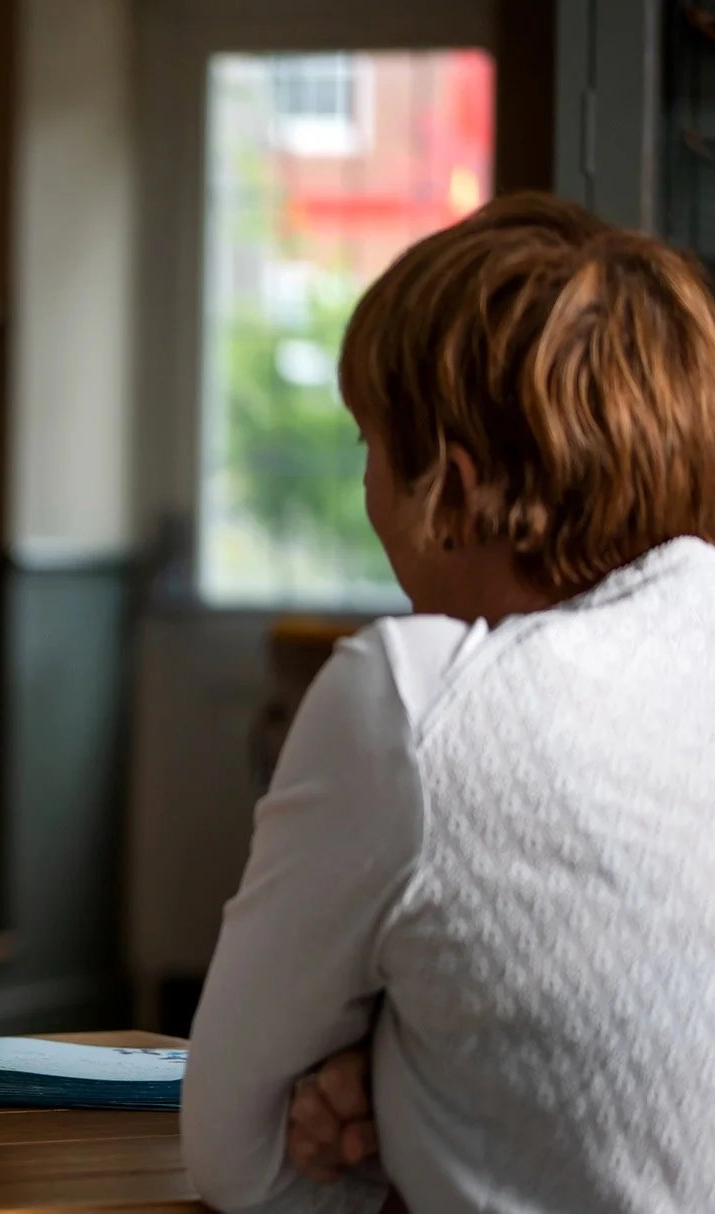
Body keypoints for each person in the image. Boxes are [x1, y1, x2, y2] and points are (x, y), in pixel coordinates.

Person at [181, 193, 715, 1211]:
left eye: (365, 447)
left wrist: (384, 1082)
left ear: (453, 493)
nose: (369, 493)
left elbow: (238, 1156)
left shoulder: (413, 698)